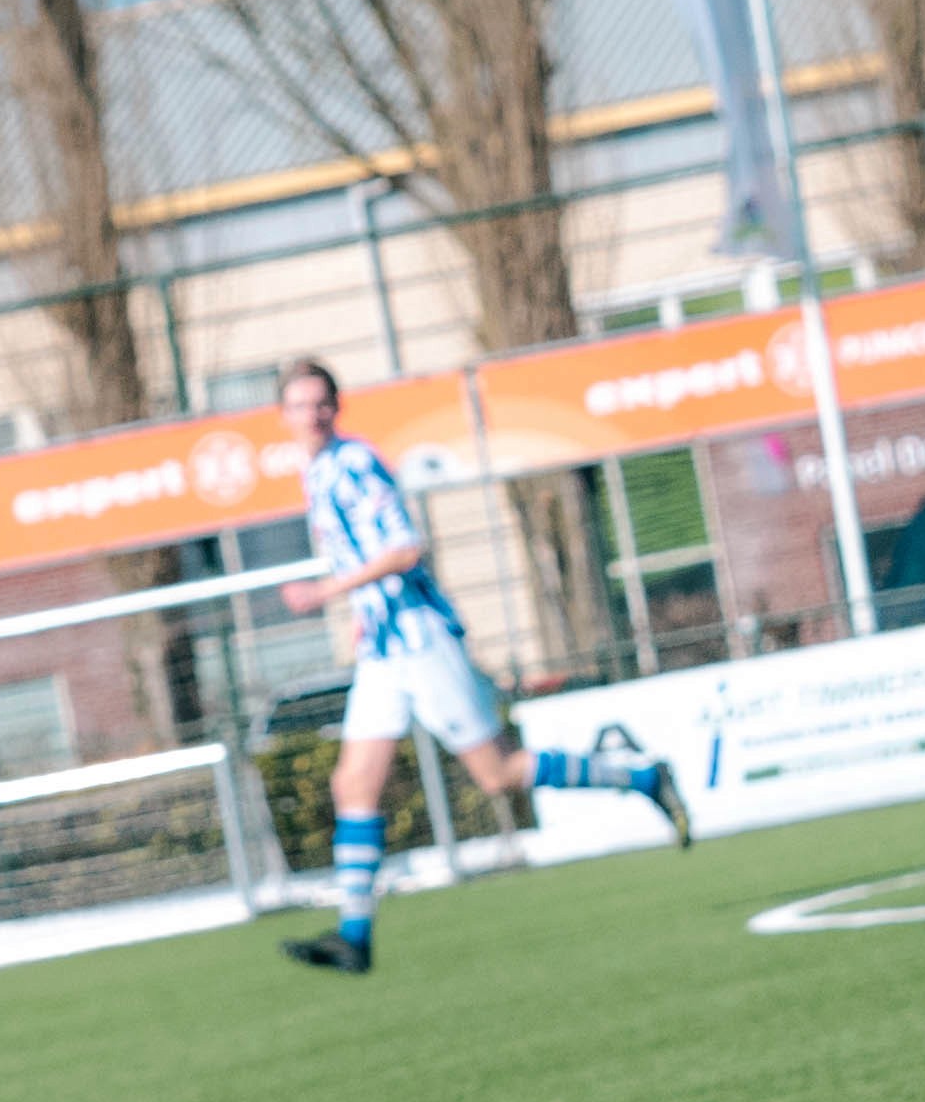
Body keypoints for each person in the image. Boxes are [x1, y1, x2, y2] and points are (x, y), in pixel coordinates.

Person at [269, 359, 689, 974]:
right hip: (384, 649)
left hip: (420, 643)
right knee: (353, 785)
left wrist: (328, 592)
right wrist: (361, 610)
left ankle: (644, 778)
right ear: (282, 416)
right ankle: (353, 936)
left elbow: (405, 546)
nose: (312, 415)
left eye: (321, 403)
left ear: (338, 406)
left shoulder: (353, 463)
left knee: (497, 774)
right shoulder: (317, 473)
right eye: (300, 405)